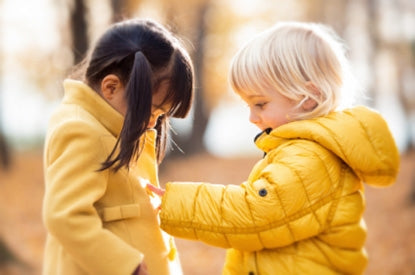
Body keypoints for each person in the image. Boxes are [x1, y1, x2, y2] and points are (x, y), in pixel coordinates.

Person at [147, 21, 400, 274]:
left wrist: (176, 203)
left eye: (260, 104)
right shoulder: (307, 149)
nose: (252, 118)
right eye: (248, 106)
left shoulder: (313, 158)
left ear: (308, 99)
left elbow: (256, 214)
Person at [42, 18, 194, 275]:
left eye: (162, 115)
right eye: (153, 109)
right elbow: (65, 216)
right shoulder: (82, 131)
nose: (155, 122)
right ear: (111, 87)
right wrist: (126, 265)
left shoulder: (110, 128)